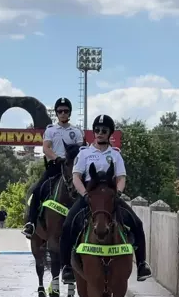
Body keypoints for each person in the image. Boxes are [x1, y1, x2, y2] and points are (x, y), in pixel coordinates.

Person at [58, 114, 152, 284]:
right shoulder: (84, 153)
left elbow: (121, 177)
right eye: (97, 130)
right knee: (67, 225)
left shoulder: (115, 155)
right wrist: (85, 195)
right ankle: (67, 267)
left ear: (110, 133)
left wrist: (118, 193)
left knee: (137, 224)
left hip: (110, 197)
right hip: (89, 196)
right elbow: (76, 177)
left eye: (104, 130)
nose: (100, 133)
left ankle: (141, 264)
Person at [22, 97, 84, 237]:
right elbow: (46, 148)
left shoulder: (77, 131)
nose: (63, 113)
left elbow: (81, 150)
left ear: (69, 113)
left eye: (66, 111)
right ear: (56, 113)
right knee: (37, 190)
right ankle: (31, 223)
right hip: (55, 166)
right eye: (60, 111)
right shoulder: (51, 130)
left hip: (73, 169)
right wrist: (57, 158)